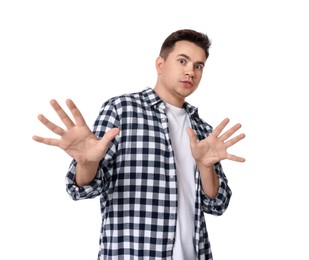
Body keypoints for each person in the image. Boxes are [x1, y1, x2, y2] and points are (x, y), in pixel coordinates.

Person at [33, 29, 245, 260]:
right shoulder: (121, 110)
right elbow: (82, 189)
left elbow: (217, 204)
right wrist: (87, 163)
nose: (190, 71)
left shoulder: (202, 130)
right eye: (182, 60)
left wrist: (205, 166)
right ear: (160, 64)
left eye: (198, 66)